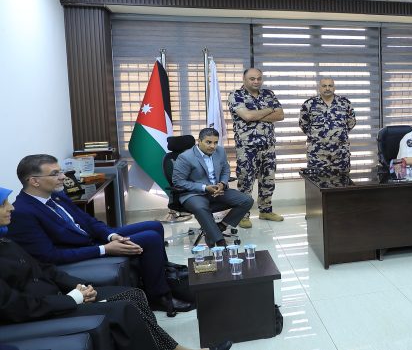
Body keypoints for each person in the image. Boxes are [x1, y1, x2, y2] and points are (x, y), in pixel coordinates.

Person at [0, 187, 232, 350]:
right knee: (124, 309)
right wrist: (72, 298)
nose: (10, 207)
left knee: (134, 295)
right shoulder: (24, 214)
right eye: (3, 204)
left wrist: (78, 286)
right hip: (46, 307)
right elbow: (14, 306)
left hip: (60, 293)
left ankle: (173, 346)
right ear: (34, 180)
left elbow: (44, 268)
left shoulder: (6, 239)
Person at [8, 154, 192, 315]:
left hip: (90, 238)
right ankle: (158, 297)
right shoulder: (22, 212)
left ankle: (164, 277)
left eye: (61, 171)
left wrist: (110, 236)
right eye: (55, 173)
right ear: (34, 181)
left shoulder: (56, 195)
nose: (63, 177)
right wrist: (104, 249)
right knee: (150, 238)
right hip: (81, 248)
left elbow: (88, 221)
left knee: (155, 226)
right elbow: (50, 256)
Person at [172, 127, 253, 247]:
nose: (212, 146)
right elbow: (178, 182)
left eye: (215, 142)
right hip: (194, 193)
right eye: (208, 142)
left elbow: (225, 170)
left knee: (247, 200)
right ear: (199, 141)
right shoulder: (186, 157)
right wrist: (204, 187)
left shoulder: (220, 151)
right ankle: (220, 242)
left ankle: (220, 226)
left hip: (217, 191)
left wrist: (222, 183)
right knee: (201, 207)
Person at [227, 68, 285, 227]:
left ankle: (265, 211)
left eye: (259, 78)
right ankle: (242, 215)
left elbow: (280, 115)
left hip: (268, 145)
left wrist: (255, 114)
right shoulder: (236, 95)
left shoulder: (269, 94)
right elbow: (247, 116)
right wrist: (269, 110)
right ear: (244, 79)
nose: (256, 81)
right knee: (246, 181)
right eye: (252, 79)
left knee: (268, 180)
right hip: (247, 147)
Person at [298, 78, 357, 174]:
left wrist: (338, 135)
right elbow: (303, 124)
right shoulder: (309, 104)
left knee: (342, 181)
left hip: (340, 154)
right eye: (324, 86)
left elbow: (351, 123)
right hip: (317, 154)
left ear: (334, 88)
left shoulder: (345, 103)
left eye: (330, 86)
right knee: (316, 181)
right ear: (319, 88)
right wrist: (319, 137)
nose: (327, 88)